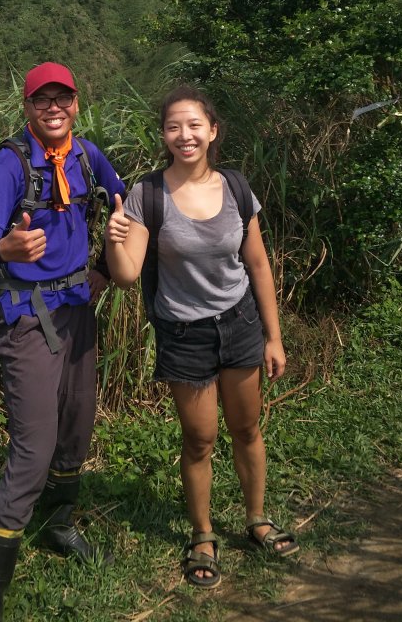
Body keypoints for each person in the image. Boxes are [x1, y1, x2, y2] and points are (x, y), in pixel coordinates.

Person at [104, 84, 298, 589]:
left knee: (248, 428)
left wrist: (273, 338)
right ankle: (202, 534)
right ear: (164, 135)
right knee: (199, 440)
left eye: (194, 125)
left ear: (212, 131)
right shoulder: (148, 195)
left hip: (239, 325)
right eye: (173, 126)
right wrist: (113, 240)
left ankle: (256, 519)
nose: (184, 135)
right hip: (184, 334)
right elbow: (127, 276)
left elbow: (257, 264)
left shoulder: (236, 188)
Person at [0, 62, 125, 621]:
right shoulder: (9, 165)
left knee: (76, 428)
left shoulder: (86, 155)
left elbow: (126, 202)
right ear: (27, 108)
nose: (53, 108)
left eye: (63, 98)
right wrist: (3, 250)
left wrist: (105, 265)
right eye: (41, 100)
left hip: (79, 310)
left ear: (77, 103)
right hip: (27, 318)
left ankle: (58, 527)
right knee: (33, 449)